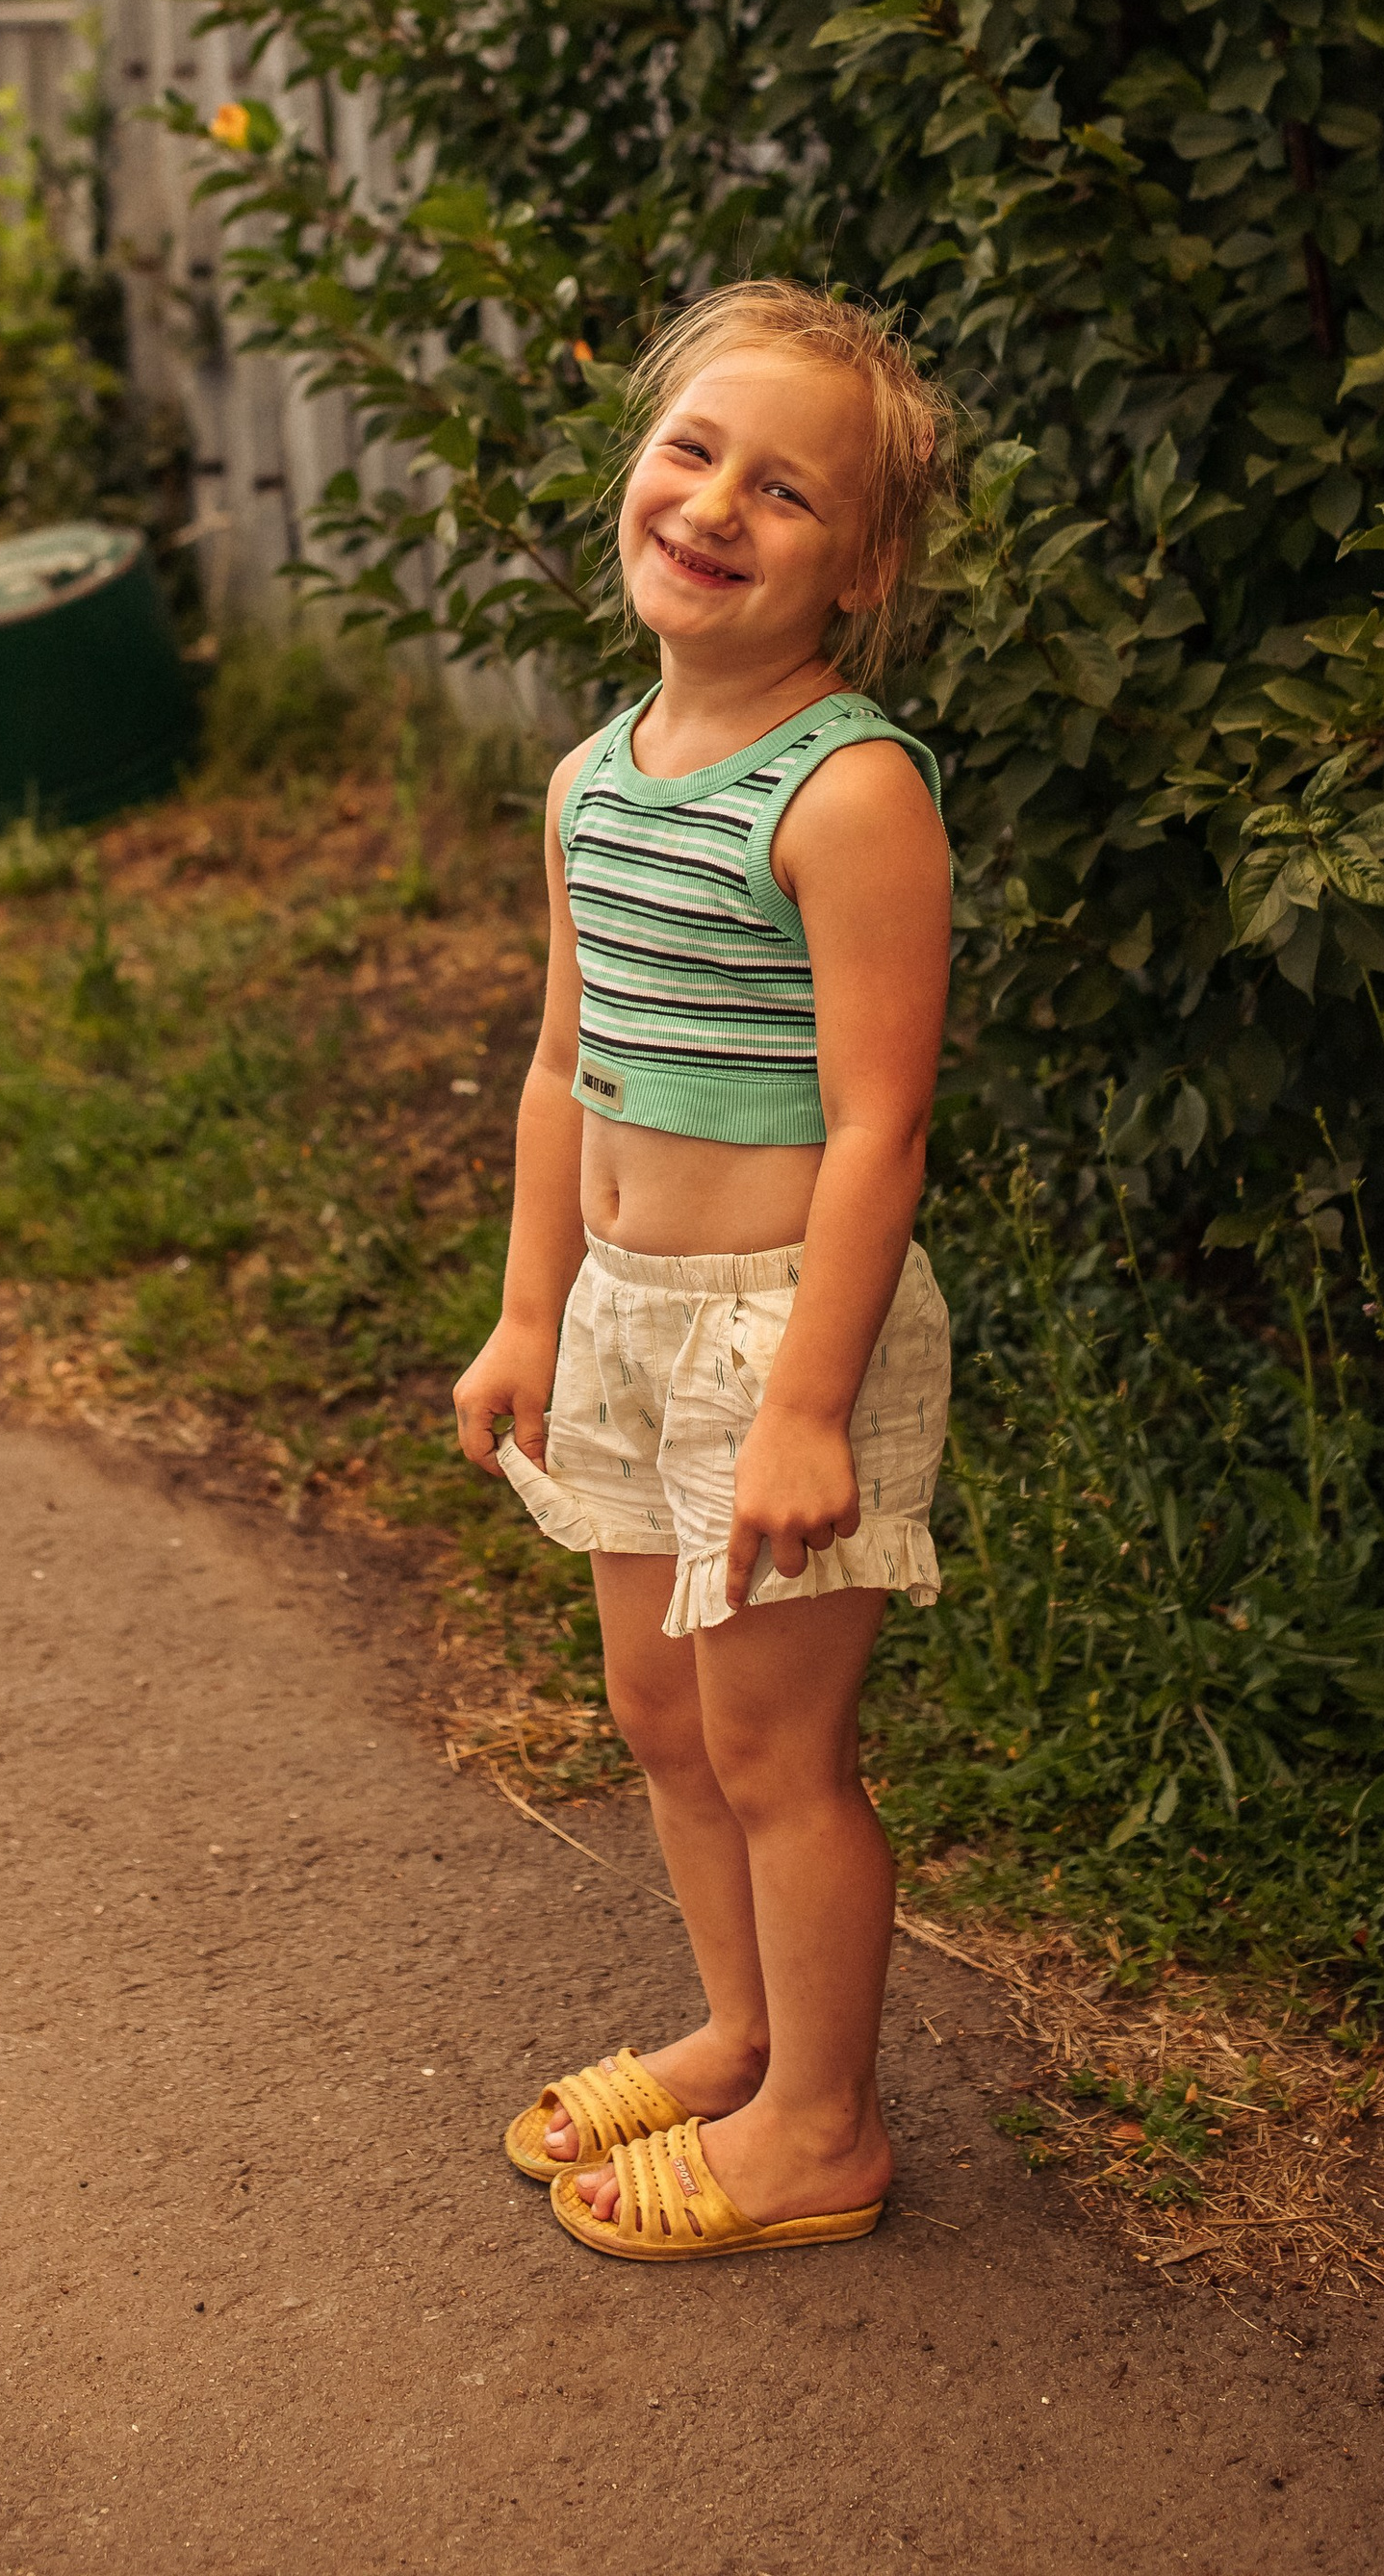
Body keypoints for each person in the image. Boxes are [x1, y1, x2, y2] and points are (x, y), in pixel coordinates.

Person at [454, 279, 958, 2261]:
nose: (714, 503)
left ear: (865, 566)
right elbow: (562, 1061)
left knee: (773, 1748)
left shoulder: (847, 794)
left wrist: (807, 1404)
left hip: (772, 1338)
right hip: (619, 1318)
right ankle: (744, 2035)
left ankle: (820, 2128)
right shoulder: (593, 778)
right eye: (689, 452)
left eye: (785, 489)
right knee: (662, 1726)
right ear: (633, 477)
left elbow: (874, 1133)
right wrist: (522, 1312)